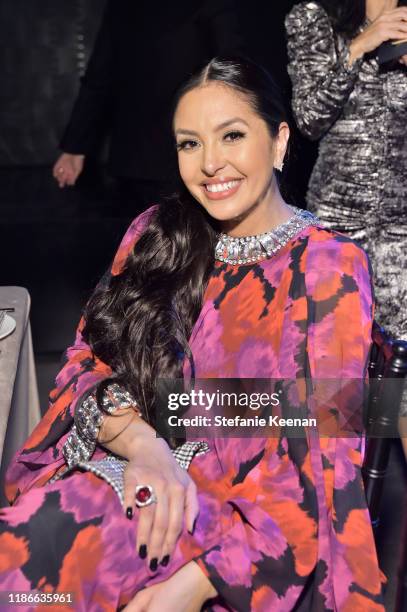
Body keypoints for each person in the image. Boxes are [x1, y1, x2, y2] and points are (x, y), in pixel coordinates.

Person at [1, 57, 385, 611]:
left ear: (279, 141)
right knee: (23, 559)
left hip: (244, 528)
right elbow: (85, 364)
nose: (210, 164)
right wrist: (145, 446)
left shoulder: (327, 266)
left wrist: (198, 582)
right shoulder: (159, 234)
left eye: (232, 135)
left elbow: (320, 458)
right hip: (131, 476)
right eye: (189, 144)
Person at [285, 0, 407, 342]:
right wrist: (358, 47)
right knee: (330, 359)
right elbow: (309, 117)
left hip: (402, 233)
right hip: (337, 224)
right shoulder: (314, 17)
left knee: (397, 376)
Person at [52, 0, 243, 213]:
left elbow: (233, 74)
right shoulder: (123, 6)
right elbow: (100, 74)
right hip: (140, 164)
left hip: (194, 158)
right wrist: (75, 147)